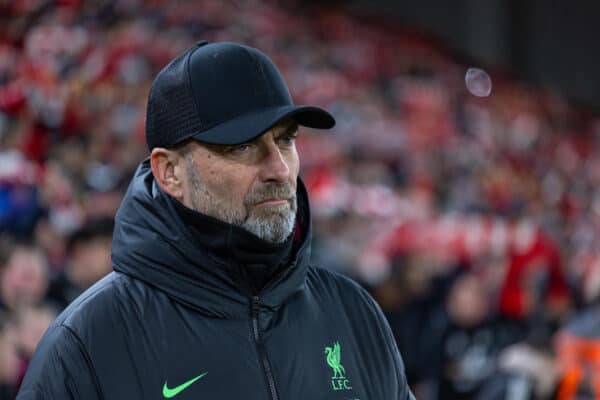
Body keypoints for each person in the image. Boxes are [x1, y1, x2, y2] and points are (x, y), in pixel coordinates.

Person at [17, 41, 414, 399]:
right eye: (243, 146)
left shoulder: (354, 312)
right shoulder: (88, 343)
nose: (279, 168)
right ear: (169, 172)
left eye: (286, 140)